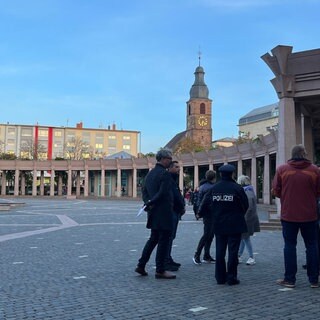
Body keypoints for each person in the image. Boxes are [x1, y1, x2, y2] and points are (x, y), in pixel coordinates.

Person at [272, 144, 320, 288]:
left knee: (289, 246)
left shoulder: (282, 169)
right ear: (304, 154)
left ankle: (290, 279)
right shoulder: (315, 170)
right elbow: (318, 192)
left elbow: (276, 191)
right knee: (312, 246)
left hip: (289, 215)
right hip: (310, 215)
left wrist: (286, 197)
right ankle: (314, 280)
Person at [198, 164, 248, 285]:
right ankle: (231, 277)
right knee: (233, 252)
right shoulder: (237, 188)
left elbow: (204, 205)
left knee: (220, 251)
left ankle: (220, 277)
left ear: (220, 174)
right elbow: (245, 205)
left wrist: (209, 214)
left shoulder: (214, 189)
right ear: (232, 174)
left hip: (219, 223)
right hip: (235, 224)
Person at [135, 149, 176, 279]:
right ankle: (160, 270)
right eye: (169, 158)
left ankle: (141, 265)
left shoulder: (150, 174)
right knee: (164, 241)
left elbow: (144, 191)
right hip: (163, 211)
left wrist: (148, 202)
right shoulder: (165, 174)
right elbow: (163, 193)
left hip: (153, 211)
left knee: (153, 239)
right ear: (163, 159)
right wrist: (153, 201)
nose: (170, 160)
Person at [193, 170, 216, 265]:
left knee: (209, 235)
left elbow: (199, 201)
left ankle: (206, 255)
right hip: (211, 213)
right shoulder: (212, 187)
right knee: (207, 235)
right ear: (214, 178)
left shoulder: (202, 187)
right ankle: (197, 254)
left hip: (206, 213)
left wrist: (199, 212)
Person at [165, 160, 185, 271]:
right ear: (170, 167)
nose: (179, 169)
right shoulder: (169, 179)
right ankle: (166, 260)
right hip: (171, 212)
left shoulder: (173, 179)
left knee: (171, 237)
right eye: (176, 167)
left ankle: (168, 257)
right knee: (168, 237)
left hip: (175, 211)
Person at [237, 175, 260, 265]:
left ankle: (251, 257)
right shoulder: (249, 190)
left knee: (245, 238)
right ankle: (239, 256)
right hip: (249, 218)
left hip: (247, 219)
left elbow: (249, 208)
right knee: (243, 238)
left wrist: (243, 218)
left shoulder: (247, 191)